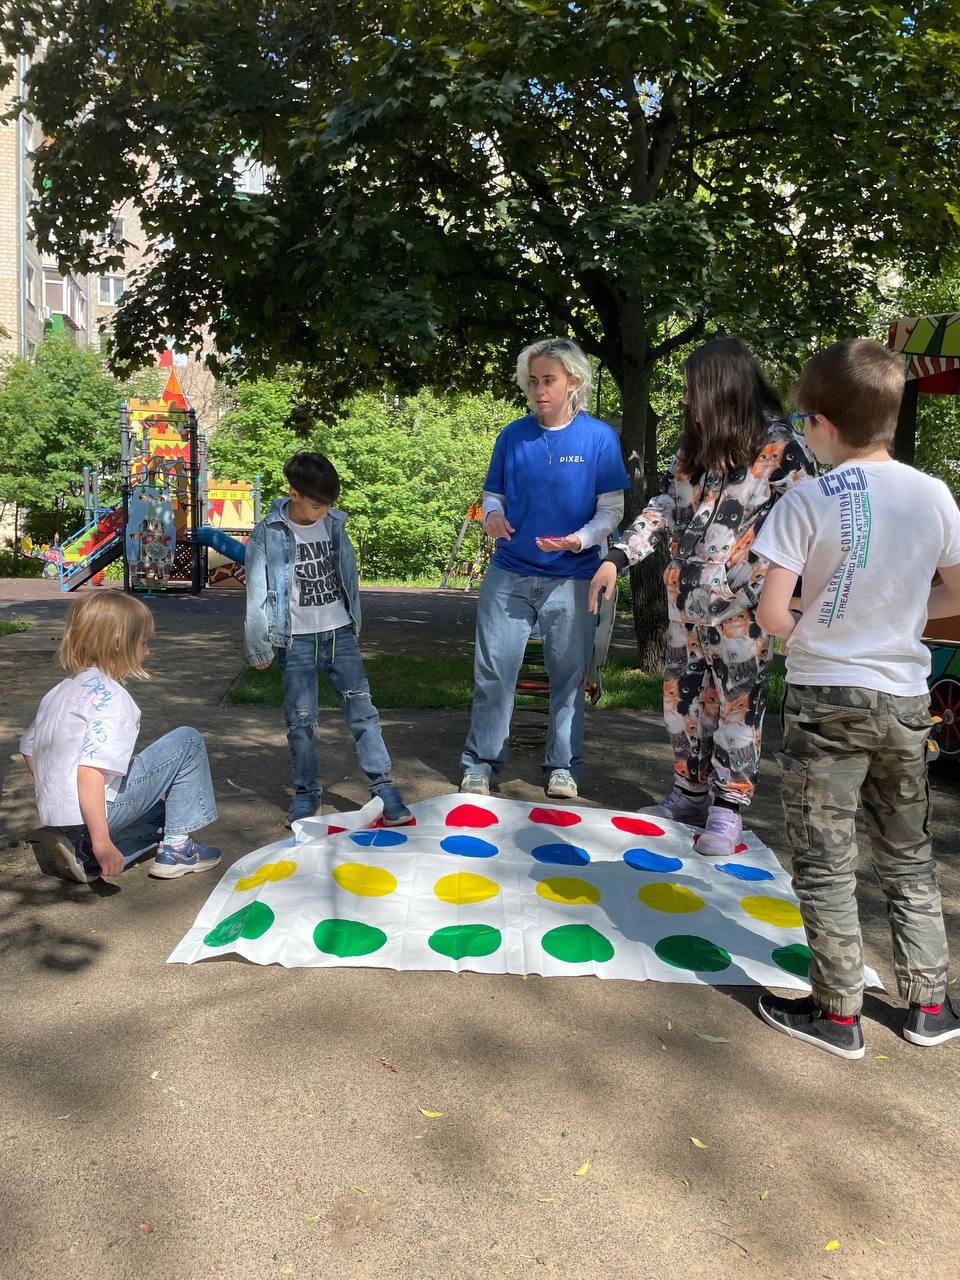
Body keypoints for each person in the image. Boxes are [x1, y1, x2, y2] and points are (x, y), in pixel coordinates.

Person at [752, 338, 960, 1058]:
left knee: (825, 858)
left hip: (827, 700)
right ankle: (930, 1004)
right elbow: (956, 596)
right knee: (907, 853)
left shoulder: (807, 498)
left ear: (822, 427)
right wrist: (892, 610)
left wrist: (834, 612)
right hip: (905, 698)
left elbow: (774, 618)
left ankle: (837, 1014)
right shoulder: (935, 494)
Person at [588, 337, 815, 855]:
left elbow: (812, 524)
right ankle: (689, 794)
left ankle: (727, 808)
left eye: (694, 390)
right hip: (682, 606)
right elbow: (666, 503)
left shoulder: (783, 449)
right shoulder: (694, 446)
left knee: (738, 707)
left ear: (721, 388)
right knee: (683, 704)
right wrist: (616, 557)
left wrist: (769, 585)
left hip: (742, 614)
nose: (687, 400)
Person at [459, 337, 630, 799]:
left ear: (573, 382)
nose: (538, 389)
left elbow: (611, 510)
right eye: (532, 380)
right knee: (494, 672)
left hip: (573, 577)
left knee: (568, 675)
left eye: (548, 380)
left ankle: (563, 767)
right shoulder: (512, 435)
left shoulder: (599, 438)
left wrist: (580, 539)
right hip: (510, 571)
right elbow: (493, 494)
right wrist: (492, 514)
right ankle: (481, 763)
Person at [244, 451, 411, 827]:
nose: (323, 511)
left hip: (339, 634)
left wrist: (355, 623)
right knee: (301, 721)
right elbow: (257, 590)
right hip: (296, 640)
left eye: (329, 504)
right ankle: (306, 795)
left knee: (363, 714)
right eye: (316, 504)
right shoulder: (267, 532)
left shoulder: (334, 524)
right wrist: (259, 642)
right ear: (294, 492)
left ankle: (384, 787)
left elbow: (347, 577)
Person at [20, 592, 220, 883]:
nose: (148, 651)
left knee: (160, 814)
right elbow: (89, 772)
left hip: (59, 817)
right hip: (96, 812)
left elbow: (29, 751)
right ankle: (176, 849)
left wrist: (56, 798)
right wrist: (102, 839)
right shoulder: (113, 700)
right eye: (143, 642)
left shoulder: (59, 692)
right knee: (187, 741)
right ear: (118, 643)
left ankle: (84, 854)